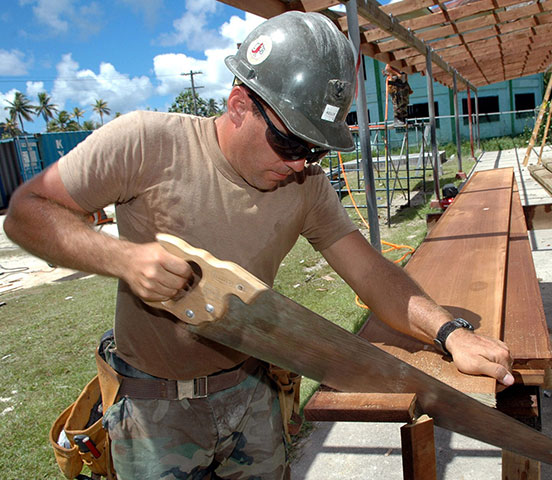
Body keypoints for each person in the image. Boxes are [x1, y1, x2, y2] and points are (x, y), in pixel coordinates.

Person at [3, 11, 513, 480]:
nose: (299, 164)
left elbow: (371, 274)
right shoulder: (145, 143)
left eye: (314, 150)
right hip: (153, 408)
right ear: (239, 104)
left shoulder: (306, 186)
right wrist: (124, 259)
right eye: (292, 143)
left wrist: (449, 333)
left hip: (252, 392)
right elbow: (27, 212)